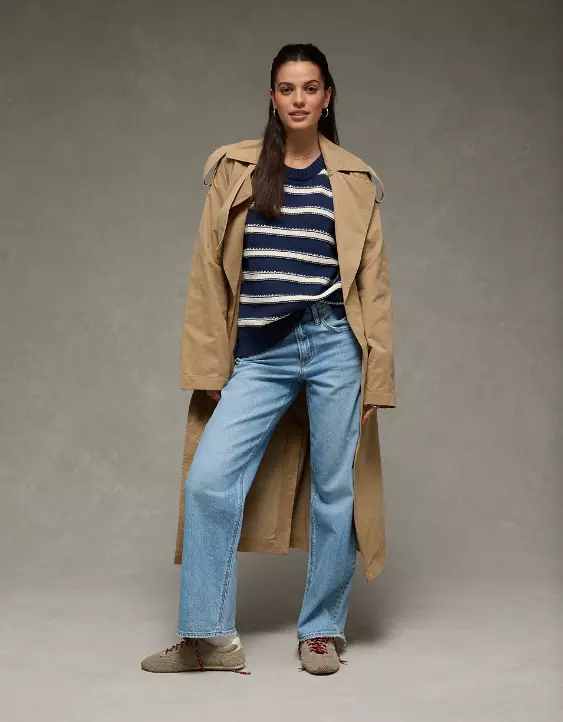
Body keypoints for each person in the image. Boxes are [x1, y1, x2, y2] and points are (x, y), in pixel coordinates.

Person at [141, 42, 395, 677]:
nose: (299, 99)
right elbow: (208, 274)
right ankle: (209, 637)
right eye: (287, 88)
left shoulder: (354, 180)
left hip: (335, 344)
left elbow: (374, 288)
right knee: (208, 482)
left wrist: (377, 380)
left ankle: (322, 631)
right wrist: (209, 367)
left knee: (336, 490)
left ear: (327, 97)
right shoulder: (237, 170)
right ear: (273, 98)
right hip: (260, 353)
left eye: (310, 88)